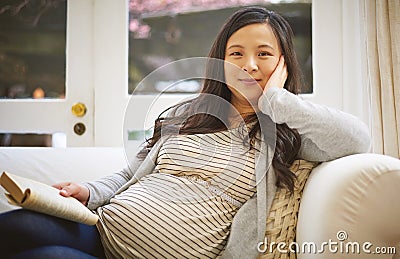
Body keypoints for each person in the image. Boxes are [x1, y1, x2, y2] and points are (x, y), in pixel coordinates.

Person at [0, 6, 370, 259]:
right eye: (236, 53)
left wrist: (275, 99)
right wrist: (90, 191)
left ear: (283, 63)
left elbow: (356, 139)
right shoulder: (191, 115)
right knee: (20, 226)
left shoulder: (288, 135)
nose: (249, 64)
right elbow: (133, 173)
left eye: (264, 54)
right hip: (103, 233)